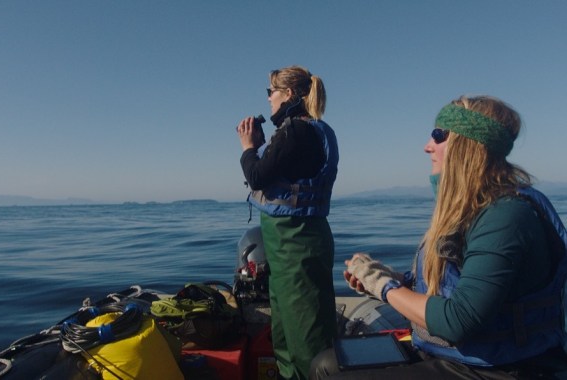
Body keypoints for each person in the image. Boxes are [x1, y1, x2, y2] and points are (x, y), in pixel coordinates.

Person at [310, 95, 567, 379]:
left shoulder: (506, 216)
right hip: (456, 354)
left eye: (438, 135)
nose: (427, 146)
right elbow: (455, 284)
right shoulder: (473, 207)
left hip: (501, 368)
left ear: (468, 144)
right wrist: (398, 279)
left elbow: (458, 320)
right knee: (326, 363)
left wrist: (383, 287)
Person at [236, 65, 339, 380]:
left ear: (289, 94)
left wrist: (249, 147)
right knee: (285, 332)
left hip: (298, 246)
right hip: (289, 247)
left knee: (306, 338)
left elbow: (257, 175)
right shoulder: (305, 131)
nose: (268, 99)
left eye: (271, 92)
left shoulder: (296, 131)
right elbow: (278, 168)